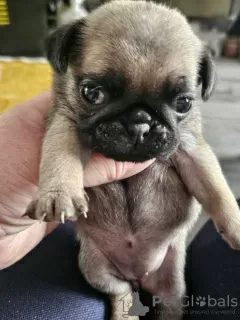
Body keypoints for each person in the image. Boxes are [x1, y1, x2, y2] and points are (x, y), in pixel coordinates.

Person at [0, 92, 239, 320]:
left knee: (172, 297)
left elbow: (198, 159)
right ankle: (121, 298)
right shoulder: (68, 111)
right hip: (103, 250)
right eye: (95, 94)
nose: (139, 124)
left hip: (163, 247)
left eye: (181, 102)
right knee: (103, 279)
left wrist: (229, 215)